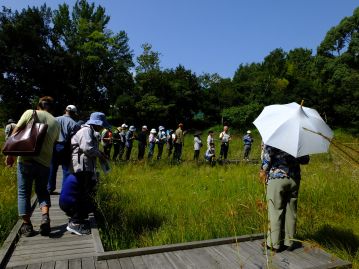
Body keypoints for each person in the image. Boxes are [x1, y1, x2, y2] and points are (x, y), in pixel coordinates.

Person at [5, 96, 60, 237]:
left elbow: (15, 132)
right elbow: (54, 143)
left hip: (26, 159)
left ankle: (27, 225)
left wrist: (10, 154)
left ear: (38, 106)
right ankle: (45, 217)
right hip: (45, 163)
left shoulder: (30, 113)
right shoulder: (55, 122)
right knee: (42, 191)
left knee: (24, 192)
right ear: (51, 108)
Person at [66, 112, 109, 235]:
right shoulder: (86, 131)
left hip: (85, 166)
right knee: (82, 193)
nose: (102, 128)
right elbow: (87, 148)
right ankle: (75, 222)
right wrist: (100, 155)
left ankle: (79, 218)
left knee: (84, 192)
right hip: (81, 166)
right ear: (97, 123)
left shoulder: (89, 131)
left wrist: (99, 153)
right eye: (102, 125)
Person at [261, 145, 309, 252]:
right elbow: (305, 160)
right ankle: (289, 242)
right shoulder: (299, 141)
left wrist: (263, 171)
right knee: (291, 211)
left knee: (275, 211)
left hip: (277, 177)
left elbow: (266, 159)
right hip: (294, 178)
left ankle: (274, 244)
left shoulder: (274, 139)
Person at [48, 105, 79, 194]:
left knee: (52, 168)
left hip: (54, 145)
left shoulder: (55, 119)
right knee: (66, 169)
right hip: (66, 146)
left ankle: (50, 188)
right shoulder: (74, 123)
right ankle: (65, 189)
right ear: (73, 113)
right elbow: (74, 138)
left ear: (65, 110)